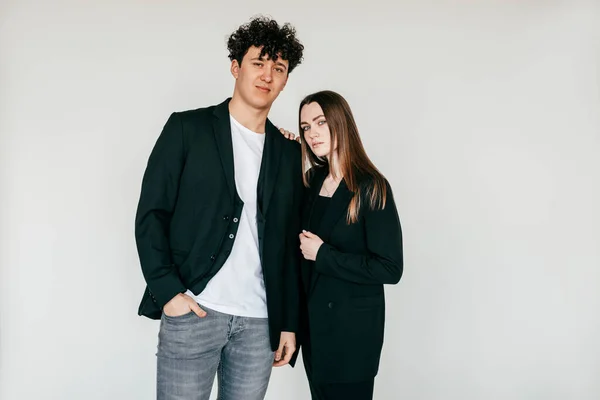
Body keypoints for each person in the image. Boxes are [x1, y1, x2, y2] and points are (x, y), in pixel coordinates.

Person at [134, 16, 305, 400]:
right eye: (258, 63)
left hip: (260, 322)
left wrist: (289, 323)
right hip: (195, 310)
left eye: (278, 68)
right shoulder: (187, 129)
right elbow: (151, 215)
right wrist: (170, 294)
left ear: (286, 78)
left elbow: (288, 245)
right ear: (235, 67)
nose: (267, 75)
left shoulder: (290, 152)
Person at [283, 90, 403, 400]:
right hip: (315, 333)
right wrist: (281, 149)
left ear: (341, 123)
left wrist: (324, 255)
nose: (312, 133)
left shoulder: (371, 186)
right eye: (306, 126)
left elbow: (390, 268)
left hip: (353, 337)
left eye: (321, 122)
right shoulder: (310, 181)